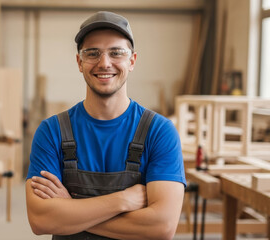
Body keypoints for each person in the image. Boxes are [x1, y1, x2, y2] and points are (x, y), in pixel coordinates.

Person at [25, 11, 186, 240]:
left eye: (116, 53)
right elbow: (41, 220)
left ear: (132, 61)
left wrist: (71, 210)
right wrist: (122, 201)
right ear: (79, 62)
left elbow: (161, 227)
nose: (104, 63)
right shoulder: (52, 132)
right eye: (93, 53)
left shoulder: (159, 132)